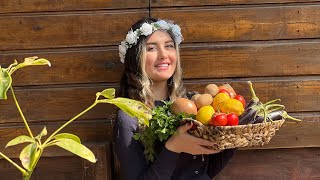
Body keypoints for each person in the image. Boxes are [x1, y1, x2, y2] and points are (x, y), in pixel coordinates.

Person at [113, 17, 235, 180]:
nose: (163, 55)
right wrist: (173, 148)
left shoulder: (192, 104)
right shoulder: (129, 117)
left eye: (169, 46)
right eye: (151, 48)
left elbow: (205, 170)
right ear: (136, 58)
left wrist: (233, 135)